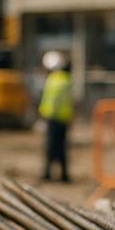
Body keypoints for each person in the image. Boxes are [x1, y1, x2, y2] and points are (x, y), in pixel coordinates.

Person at [38, 50, 72, 182]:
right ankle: (64, 175)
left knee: (50, 146)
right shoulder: (67, 80)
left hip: (51, 118)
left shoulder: (52, 80)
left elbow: (48, 100)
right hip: (64, 118)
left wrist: (43, 113)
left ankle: (47, 173)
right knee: (62, 147)